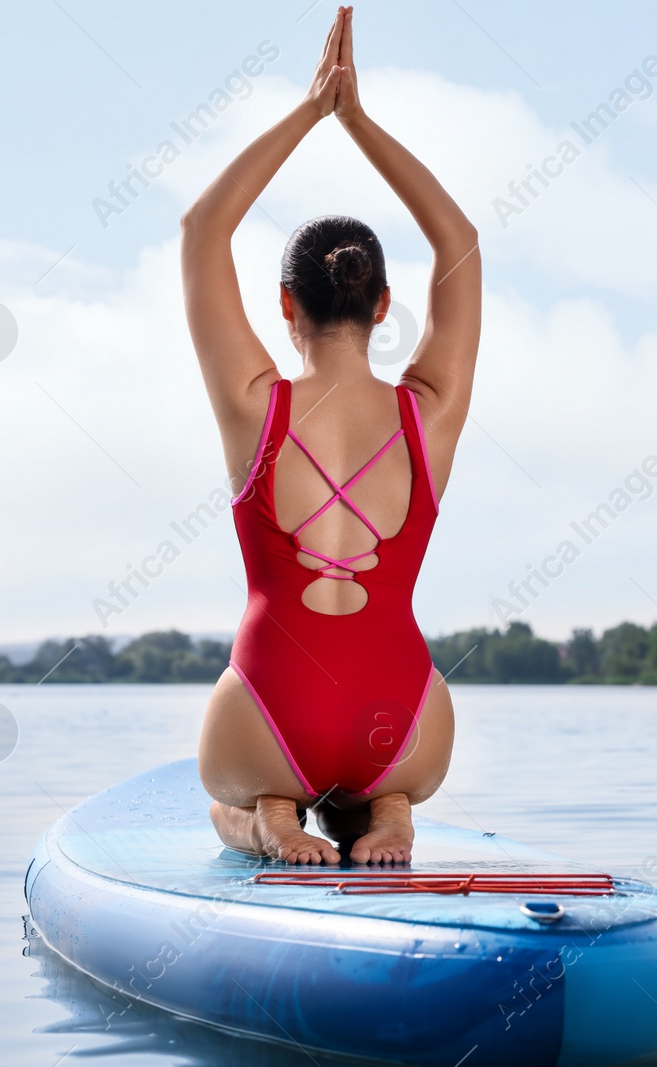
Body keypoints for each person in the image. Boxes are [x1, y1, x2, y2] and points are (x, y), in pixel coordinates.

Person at [182, 7, 479, 865]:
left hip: (273, 710)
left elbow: (203, 230)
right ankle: (388, 809)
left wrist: (312, 110)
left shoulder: (253, 404)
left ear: (286, 305)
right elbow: (460, 242)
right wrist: (361, 121)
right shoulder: (429, 412)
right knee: (379, 782)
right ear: (384, 304)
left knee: (221, 801)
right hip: (407, 718)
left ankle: (270, 815)